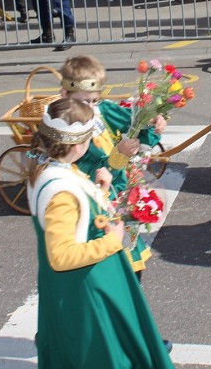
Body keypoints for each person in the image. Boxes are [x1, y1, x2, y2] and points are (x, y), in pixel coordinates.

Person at [27, 97, 175, 368]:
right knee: (103, 356)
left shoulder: (51, 169)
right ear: (78, 145)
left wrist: (101, 190)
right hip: (85, 287)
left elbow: (76, 215)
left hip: (85, 282)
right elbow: (60, 255)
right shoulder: (59, 189)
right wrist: (111, 241)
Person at [61, 55, 165, 275]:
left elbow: (133, 122)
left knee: (130, 263)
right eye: (83, 101)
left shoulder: (101, 110)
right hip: (95, 201)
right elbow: (85, 170)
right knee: (109, 266)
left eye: (94, 100)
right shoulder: (68, 128)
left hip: (118, 193)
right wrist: (119, 154)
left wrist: (153, 121)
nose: (90, 107)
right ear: (64, 95)